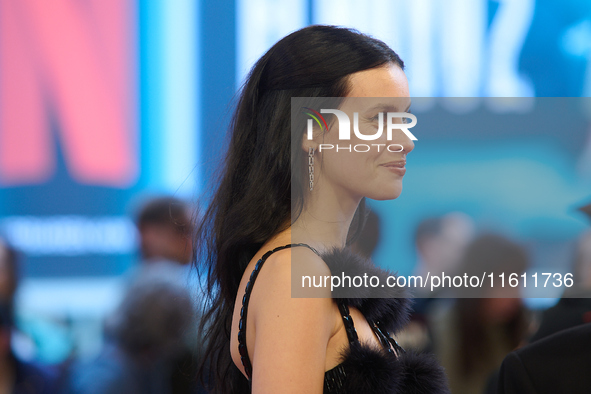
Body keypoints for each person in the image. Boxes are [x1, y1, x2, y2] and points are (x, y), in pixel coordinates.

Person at [194, 25, 449, 393]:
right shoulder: (293, 273)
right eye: (378, 119)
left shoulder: (310, 268)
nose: (405, 141)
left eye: (404, 119)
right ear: (312, 128)